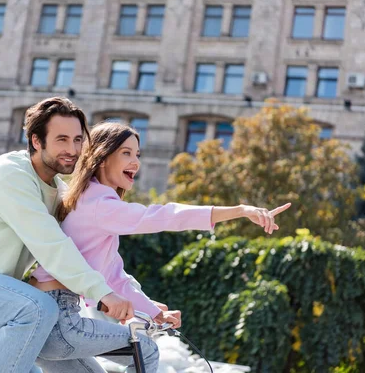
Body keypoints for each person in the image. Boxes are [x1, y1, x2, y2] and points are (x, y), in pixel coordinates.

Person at [30, 122, 291, 372]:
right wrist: (240, 210)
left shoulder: (88, 199)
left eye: (137, 154)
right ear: (102, 157)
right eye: (126, 153)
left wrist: (154, 312)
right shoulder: (99, 204)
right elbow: (165, 215)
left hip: (45, 320)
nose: (136, 162)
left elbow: (113, 276)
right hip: (60, 321)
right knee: (145, 350)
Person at [0, 97, 134, 373]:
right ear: (36, 141)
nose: (72, 149)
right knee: (38, 309)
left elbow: (96, 255)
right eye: (62, 140)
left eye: (78, 140)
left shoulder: (59, 191)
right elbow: (51, 246)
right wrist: (102, 293)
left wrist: (139, 299)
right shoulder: (12, 174)